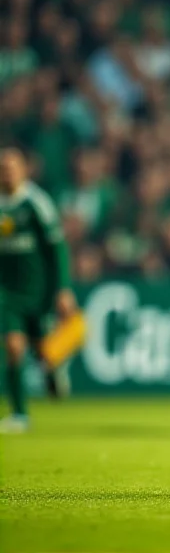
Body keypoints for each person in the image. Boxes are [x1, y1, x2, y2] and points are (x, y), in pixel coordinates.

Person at [0, 148, 77, 434]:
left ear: (23, 170)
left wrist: (63, 289)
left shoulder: (36, 203)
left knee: (43, 351)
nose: (6, 173)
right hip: (7, 293)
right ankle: (19, 414)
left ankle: (54, 368)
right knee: (13, 347)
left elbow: (57, 249)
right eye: (2, 168)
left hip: (39, 291)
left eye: (11, 168)